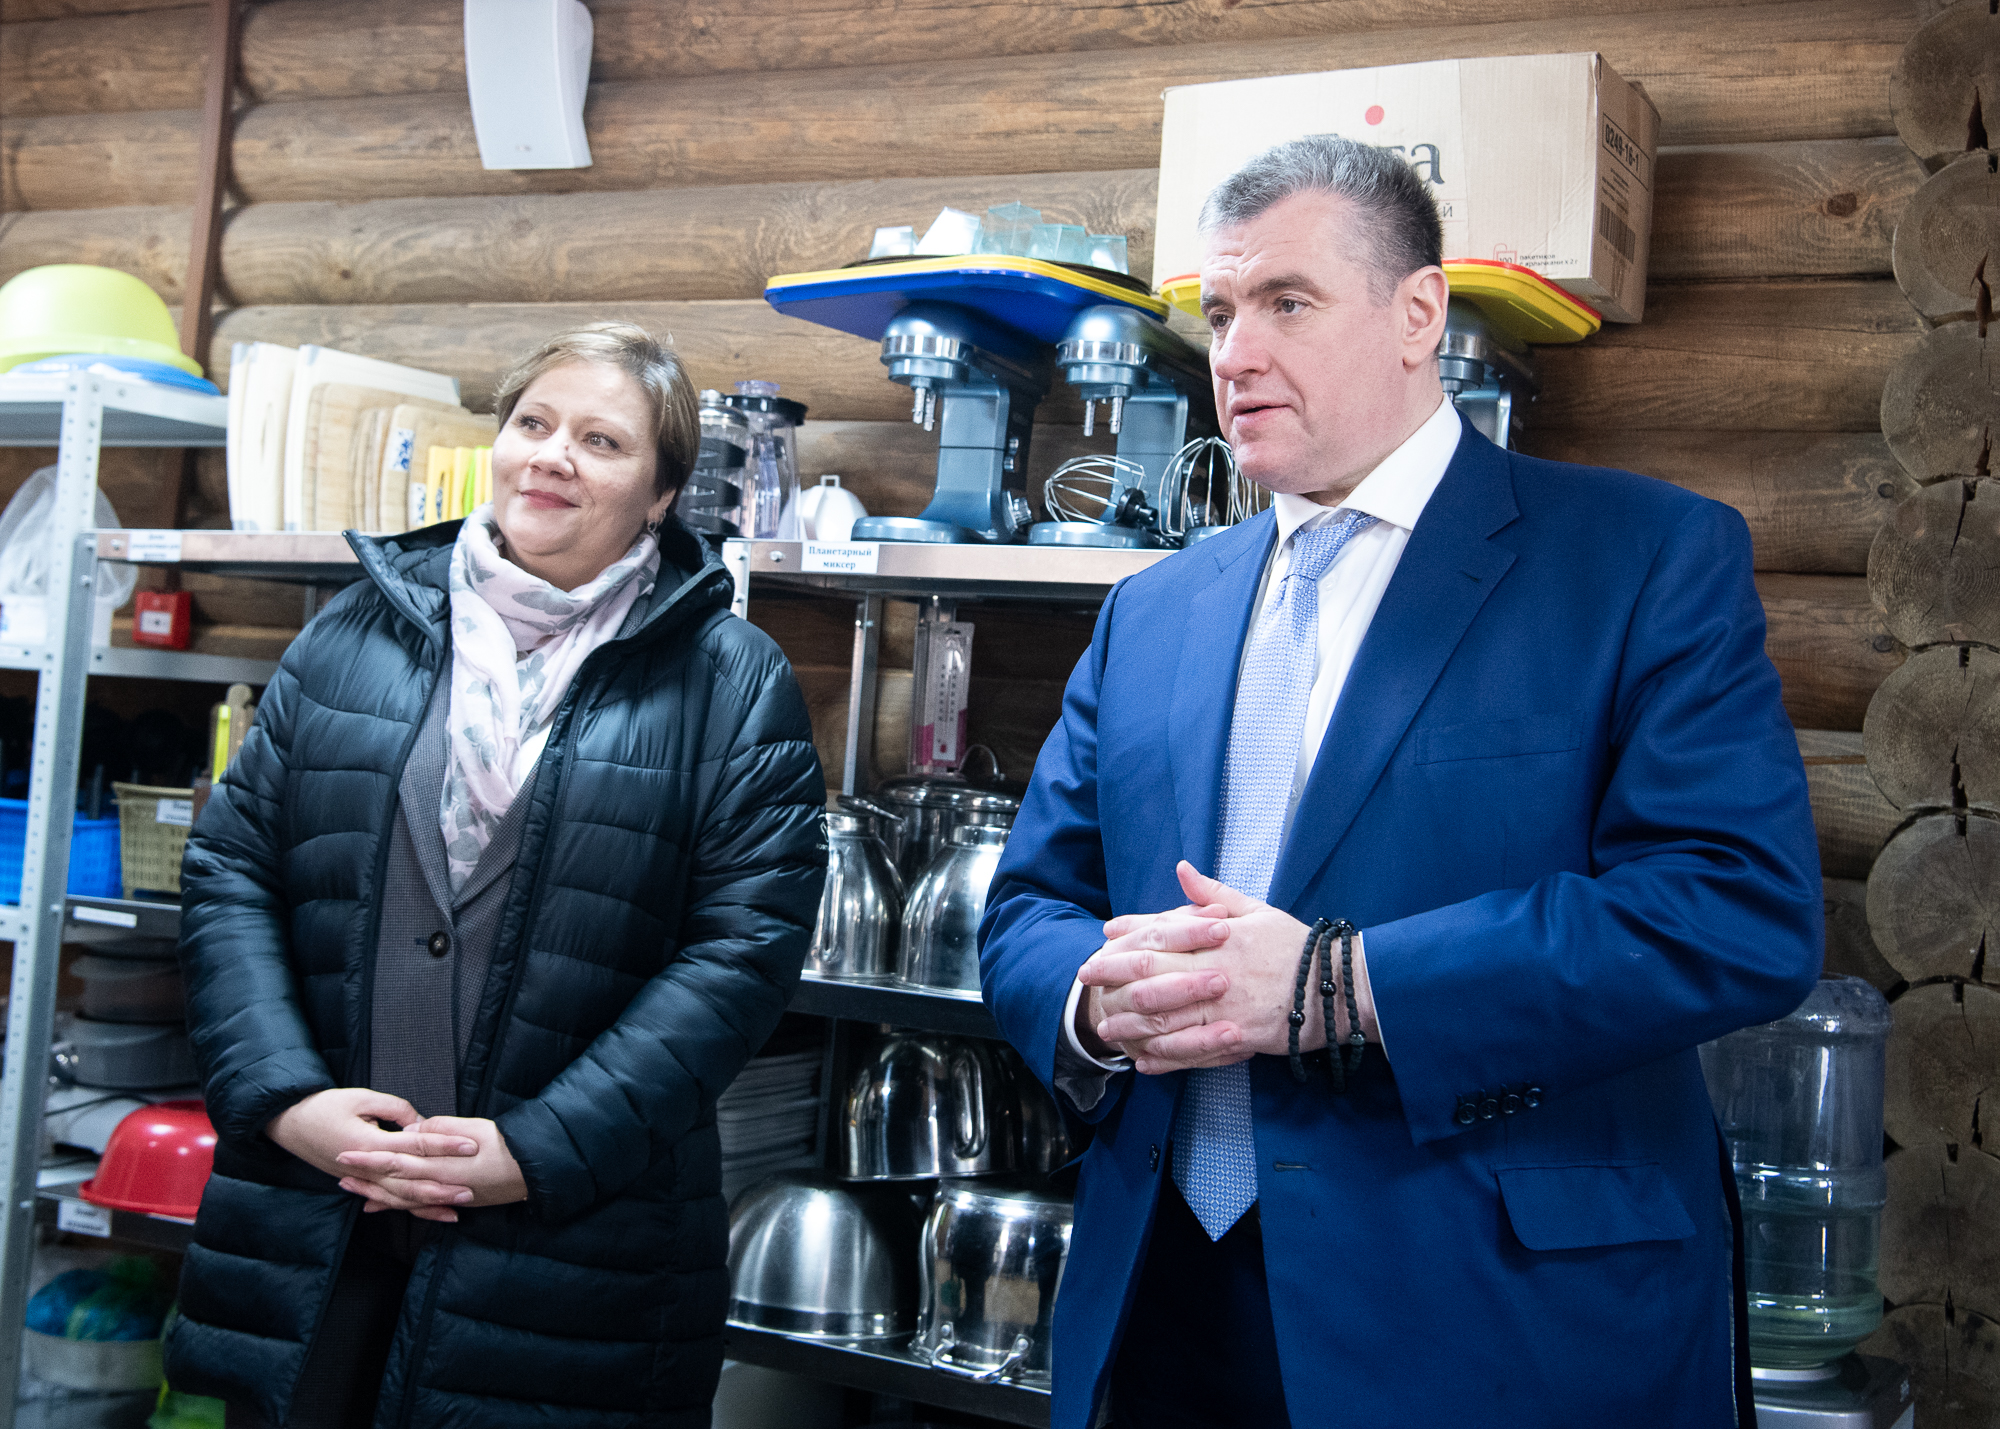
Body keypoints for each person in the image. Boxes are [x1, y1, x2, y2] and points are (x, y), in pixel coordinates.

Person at [979, 136, 1822, 1428]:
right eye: (1219, 312)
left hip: (1489, 1318)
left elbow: (1735, 911)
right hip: (1158, 1301)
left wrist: (1339, 983)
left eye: (1287, 303)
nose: (1234, 354)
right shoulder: (1149, 612)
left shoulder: (1641, 559)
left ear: (1418, 312)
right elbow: (1028, 909)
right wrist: (1095, 1000)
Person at [166, 321, 827, 1428]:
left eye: (602, 441)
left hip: (571, 1248)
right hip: (320, 1214)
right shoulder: (355, 632)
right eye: (533, 422)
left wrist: (536, 1151)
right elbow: (231, 867)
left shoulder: (731, 678)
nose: (553, 455)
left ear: (662, 494)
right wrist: (286, 1100)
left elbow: (744, 951)